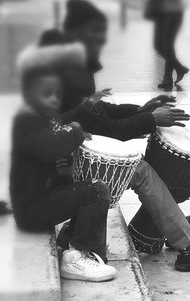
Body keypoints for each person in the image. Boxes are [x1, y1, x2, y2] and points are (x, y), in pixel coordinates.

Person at [17, 0, 190, 271]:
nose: (103, 38)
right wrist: (149, 119)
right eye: (96, 31)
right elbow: (105, 127)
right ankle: (188, 244)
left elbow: (100, 109)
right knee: (140, 170)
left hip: (65, 151)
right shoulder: (66, 71)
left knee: (138, 170)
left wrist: (144, 109)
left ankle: (176, 236)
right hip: (61, 162)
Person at [10, 62, 118, 282]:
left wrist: (87, 104)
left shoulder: (40, 116)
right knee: (96, 190)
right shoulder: (25, 121)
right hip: (31, 210)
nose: (53, 99)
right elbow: (52, 147)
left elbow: (65, 119)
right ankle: (78, 258)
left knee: (84, 183)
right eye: (46, 94)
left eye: (56, 94)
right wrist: (76, 132)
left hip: (39, 202)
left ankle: (72, 239)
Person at [145, 0, 189, 89]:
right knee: (158, 46)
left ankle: (168, 78)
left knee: (168, 45)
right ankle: (179, 68)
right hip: (160, 12)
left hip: (173, 11)